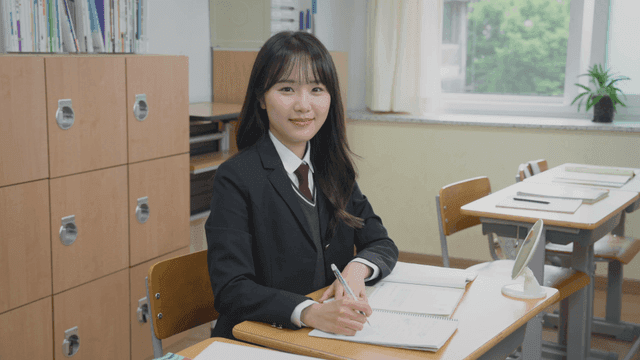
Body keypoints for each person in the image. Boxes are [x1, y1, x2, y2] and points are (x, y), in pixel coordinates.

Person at [205, 31, 398, 340]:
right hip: (260, 338)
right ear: (261, 98)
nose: (304, 105)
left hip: (325, 338)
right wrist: (309, 312)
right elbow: (231, 289)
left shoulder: (333, 168)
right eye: (287, 89)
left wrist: (357, 268)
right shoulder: (237, 177)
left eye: (317, 89)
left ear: (330, 97)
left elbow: (381, 242)